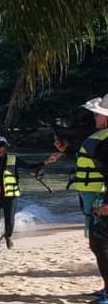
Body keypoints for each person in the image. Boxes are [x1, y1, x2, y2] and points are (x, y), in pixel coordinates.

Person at [55, 93, 108, 239]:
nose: (95, 117)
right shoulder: (102, 138)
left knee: (99, 242)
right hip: (95, 198)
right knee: (97, 241)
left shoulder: (105, 140)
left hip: (100, 198)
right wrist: (66, 151)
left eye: (98, 114)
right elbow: (94, 162)